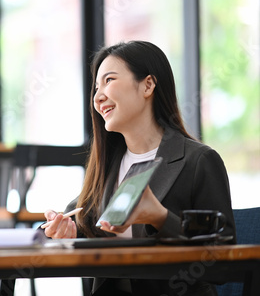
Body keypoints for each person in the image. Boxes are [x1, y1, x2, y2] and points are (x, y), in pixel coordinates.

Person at [41, 41, 236, 295]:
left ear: (147, 85)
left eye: (109, 80)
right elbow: (74, 223)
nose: (98, 97)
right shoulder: (108, 167)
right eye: (96, 87)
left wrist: (160, 217)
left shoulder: (198, 161)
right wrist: (64, 231)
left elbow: (223, 263)